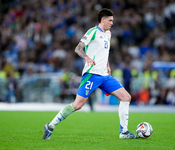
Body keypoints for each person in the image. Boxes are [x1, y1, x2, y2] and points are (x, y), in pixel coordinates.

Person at [43, 8, 138, 140]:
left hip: (104, 75)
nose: (112, 23)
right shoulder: (93, 32)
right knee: (77, 105)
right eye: (110, 20)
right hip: (91, 74)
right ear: (102, 20)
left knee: (126, 97)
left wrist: (108, 66)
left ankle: (124, 132)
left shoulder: (108, 34)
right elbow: (78, 48)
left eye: (113, 21)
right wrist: (86, 57)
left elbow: (104, 53)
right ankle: (50, 126)